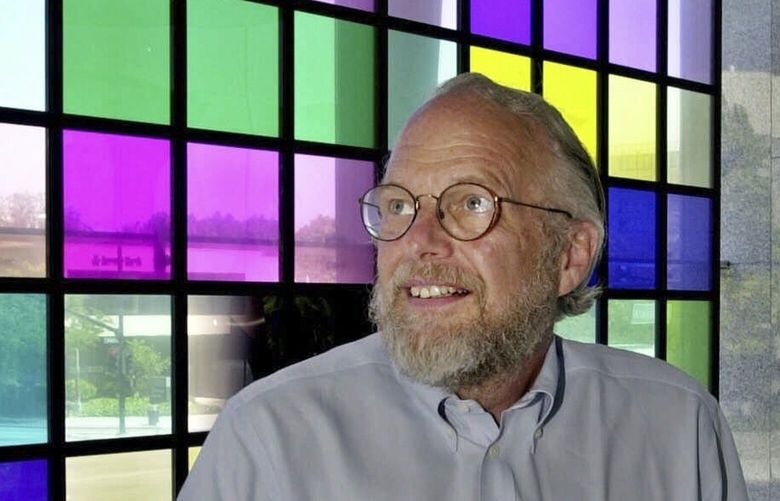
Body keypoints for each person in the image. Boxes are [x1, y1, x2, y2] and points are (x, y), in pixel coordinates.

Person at [178, 73, 747, 500]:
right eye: (399, 204)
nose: (418, 240)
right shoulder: (267, 440)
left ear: (570, 255)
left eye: (473, 203)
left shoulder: (678, 426)